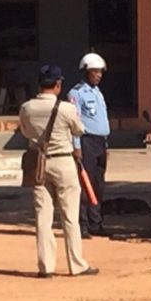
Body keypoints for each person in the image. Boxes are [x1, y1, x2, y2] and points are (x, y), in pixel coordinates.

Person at [19, 64, 98, 278]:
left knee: (43, 217)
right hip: (63, 161)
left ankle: (46, 267)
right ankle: (76, 264)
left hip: (38, 163)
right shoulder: (66, 109)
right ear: (57, 84)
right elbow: (79, 130)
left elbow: (25, 131)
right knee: (70, 216)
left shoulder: (26, 108)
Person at [68, 52, 110, 239]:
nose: (99, 75)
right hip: (86, 142)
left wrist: (106, 144)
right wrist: (76, 146)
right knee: (86, 184)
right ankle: (83, 223)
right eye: (95, 71)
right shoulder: (76, 93)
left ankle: (96, 222)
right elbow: (75, 121)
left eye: (100, 71)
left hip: (100, 142)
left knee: (99, 184)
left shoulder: (98, 92)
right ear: (85, 72)